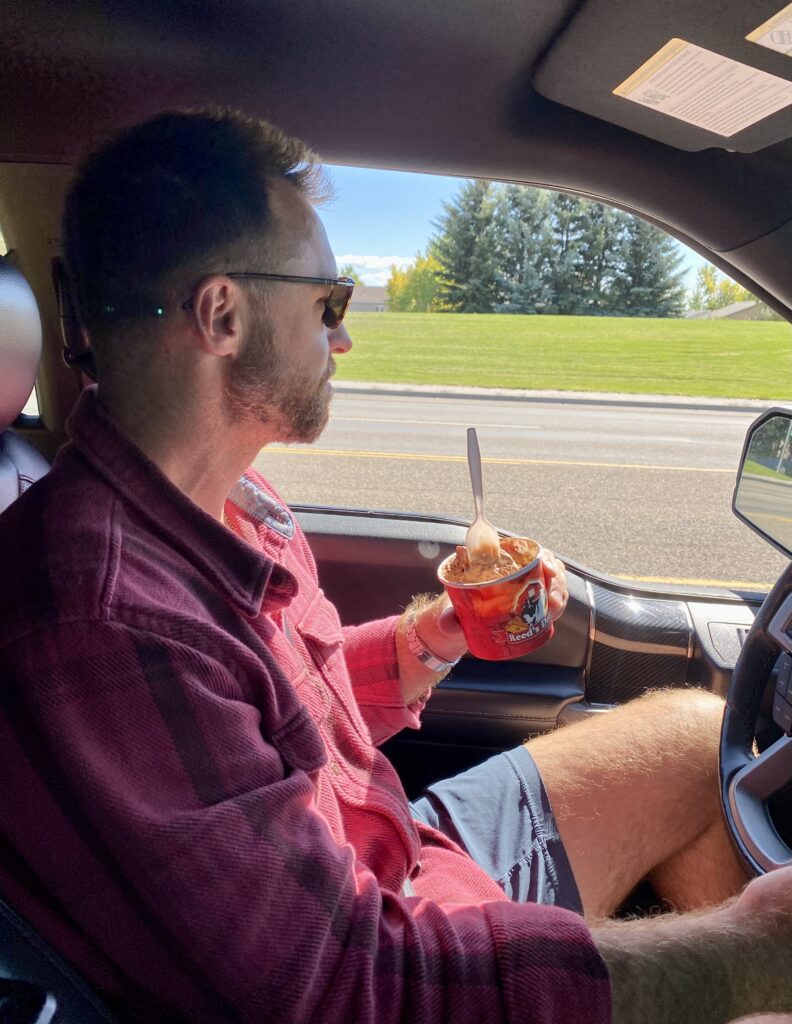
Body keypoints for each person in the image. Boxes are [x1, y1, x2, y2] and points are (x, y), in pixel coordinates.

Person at [0, 107, 789, 1024]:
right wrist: (748, 958)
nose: (344, 339)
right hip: (384, 947)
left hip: (396, 853)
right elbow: (350, 991)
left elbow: (281, 713)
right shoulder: (106, 621)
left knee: (697, 740)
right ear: (222, 314)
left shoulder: (234, 508)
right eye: (327, 304)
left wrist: (427, 641)